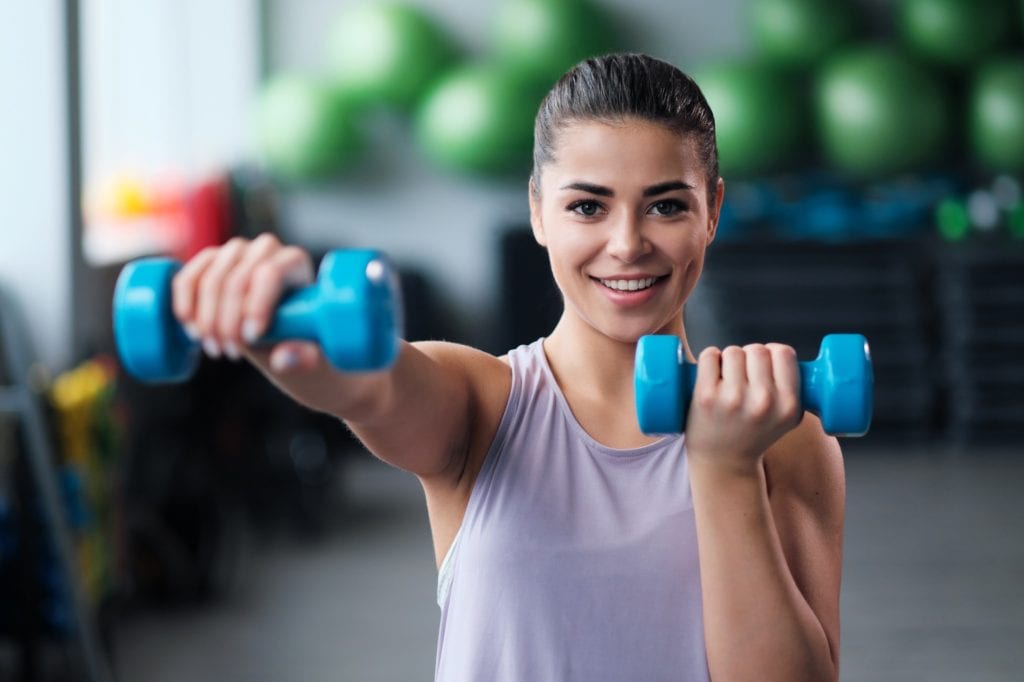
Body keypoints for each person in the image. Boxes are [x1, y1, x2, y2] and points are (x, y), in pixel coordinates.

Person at [170, 53, 844, 681]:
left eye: (666, 205)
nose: (627, 244)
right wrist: (283, 335)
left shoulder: (784, 435)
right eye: (588, 206)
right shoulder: (482, 402)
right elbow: (370, 387)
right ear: (537, 212)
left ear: (713, 212)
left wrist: (726, 470)